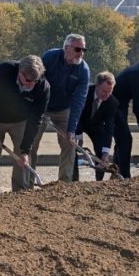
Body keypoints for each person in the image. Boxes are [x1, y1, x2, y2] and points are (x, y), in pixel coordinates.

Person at [0, 55, 50, 195]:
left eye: (34, 81)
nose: (30, 85)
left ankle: (20, 193)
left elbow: (35, 119)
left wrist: (25, 150)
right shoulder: (2, 72)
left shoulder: (43, 87)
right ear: (20, 72)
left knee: (22, 159)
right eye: (27, 80)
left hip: (21, 121)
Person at [30, 34, 90, 182]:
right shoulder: (50, 57)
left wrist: (71, 129)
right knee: (30, 142)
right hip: (42, 107)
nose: (81, 53)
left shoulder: (83, 70)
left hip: (64, 109)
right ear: (66, 48)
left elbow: (79, 100)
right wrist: (38, 107)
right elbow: (37, 81)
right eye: (77, 49)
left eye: (84, 50)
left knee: (69, 144)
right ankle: (28, 181)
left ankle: (64, 184)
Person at [73, 71, 119, 181]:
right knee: (72, 147)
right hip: (78, 121)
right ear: (97, 85)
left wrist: (106, 152)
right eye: (104, 91)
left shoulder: (112, 102)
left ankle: (99, 181)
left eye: (110, 92)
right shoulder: (84, 92)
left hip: (95, 125)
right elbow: (76, 113)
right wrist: (78, 136)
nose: (107, 95)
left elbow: (109, 127)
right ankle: (73, 180)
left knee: (101, 149)